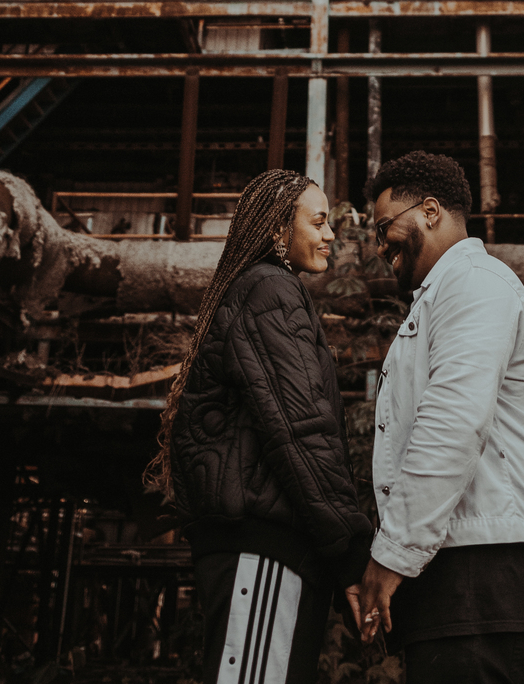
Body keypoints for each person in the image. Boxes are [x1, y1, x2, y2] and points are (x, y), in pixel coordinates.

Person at [357, 150, 524, 684]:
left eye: (384, 227)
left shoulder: (474, 282)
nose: (379, 245)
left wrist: (393, 552)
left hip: (485, 565)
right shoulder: (444, 295)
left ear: (430, 211)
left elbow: (453, 420)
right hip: (469, 562)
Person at [153, 169, 371, 684]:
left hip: (261, 550)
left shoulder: (258, 289)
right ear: (278, 229)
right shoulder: (271, 289)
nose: (330, 234)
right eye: (318, 222)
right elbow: (302, 430)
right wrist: (351, 551)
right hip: (266, 551)